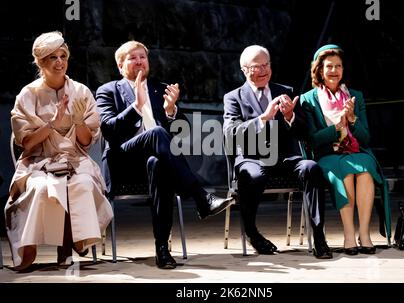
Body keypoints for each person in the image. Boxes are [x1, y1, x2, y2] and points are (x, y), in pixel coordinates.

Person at [95, 41, 234, 269]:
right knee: (157, 133)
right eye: (132, 58)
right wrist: (136, 107)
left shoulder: (159, 89)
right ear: (120, 65)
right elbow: (109, 130)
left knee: (158, 165)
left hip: (154, 162)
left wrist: (171, 111)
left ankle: (162, 250)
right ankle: (201, 198)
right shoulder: (108, 90)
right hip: (124, 161)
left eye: (143, 57)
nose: (139, 61)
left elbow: (183, 133)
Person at [6, 31, 114, 271]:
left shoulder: (81, 92)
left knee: (82, 184)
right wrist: (52, 124)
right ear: (41, 62)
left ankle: (73, 243)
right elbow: (27, 143)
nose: (59, 62)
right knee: (43, 187)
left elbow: (86, 141)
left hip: (74, 160)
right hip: (38, 161)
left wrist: (78, 122)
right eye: (52, 57)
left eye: (63, 56)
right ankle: (35, 250)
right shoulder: (28, 94)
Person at [223, 45, 332, 259]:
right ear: (244, 70)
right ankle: (253, 234)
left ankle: (319, 236)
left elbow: (304, 133)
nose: (264, 70)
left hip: (283, 158)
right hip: (251, 158)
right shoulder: (233, 97)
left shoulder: (286, 91)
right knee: (253, 176)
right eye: (257, 67)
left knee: (311, 167)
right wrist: (262, 118)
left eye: (267, 65)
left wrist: (291, 116)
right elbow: (230, 133)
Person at [300, 44, 391, 255]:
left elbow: (366, 138)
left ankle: (365, 234)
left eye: (338, 66)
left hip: (357, 152)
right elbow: (313, 141)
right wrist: (337, 127)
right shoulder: (308, 100)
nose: (334, 71)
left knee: (366, 171)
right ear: (319, 71)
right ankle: (349, 234)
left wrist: (352, 119)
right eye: (329, 66)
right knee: (347, 173)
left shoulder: (355, 96)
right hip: (327, 155)